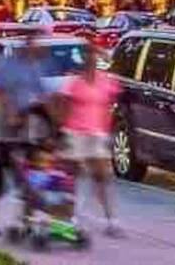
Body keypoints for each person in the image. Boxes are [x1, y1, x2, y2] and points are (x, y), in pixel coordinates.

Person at [0, 34, 46, 235]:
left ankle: (26, 221)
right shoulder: (7, 65)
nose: (39, 51)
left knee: (30, 177)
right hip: (5, 132)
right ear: (27, 46)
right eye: (35, 47)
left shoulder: (34, 67)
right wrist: (9, 114)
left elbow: (40, 95)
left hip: (25, 130)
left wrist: (50, 123)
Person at [58, 43, 120, 236]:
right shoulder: (75, 83)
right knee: (74, 177)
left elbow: (111, 104)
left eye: (93, 57)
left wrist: (108, 130)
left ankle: (111, 221)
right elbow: (64, 107)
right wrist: (62, 133)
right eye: (88, 57)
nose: (91, 61)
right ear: (83, 60)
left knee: (102, 177)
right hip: (75, 133)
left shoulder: (106, 81)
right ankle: (72, 219)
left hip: (97, 133)